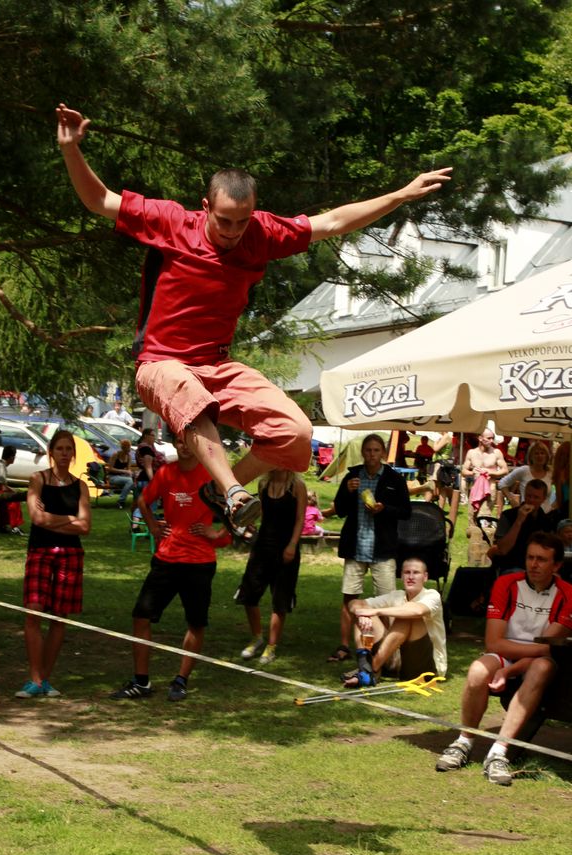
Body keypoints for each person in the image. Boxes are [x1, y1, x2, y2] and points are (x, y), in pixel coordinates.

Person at [56, 102, 451, 538]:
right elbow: (99, 199)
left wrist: (400, 195)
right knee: (189, 392)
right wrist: (72, 149)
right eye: (224, 221)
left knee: (294, 432)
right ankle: (232, 491)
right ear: (206, 206)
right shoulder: (171, 222)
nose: (232, 231)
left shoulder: (261, 233)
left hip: (217, 366)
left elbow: (335, 221)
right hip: (161, 365)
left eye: (242, 222)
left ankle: (220, 490)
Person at [436, 532, 572, 786]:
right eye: (530, 557)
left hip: (540, 660)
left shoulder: (568, 594)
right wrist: (505, 666)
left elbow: (547, 649)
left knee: (541, 667)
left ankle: (499, 752)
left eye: (542, 560)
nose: (533, 564)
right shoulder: (506, 583)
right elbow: (493, 642)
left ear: (556, 566)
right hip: (507, 653)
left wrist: (509, 672)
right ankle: (464, 742)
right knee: (477, 670)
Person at [110, 436, 230, 702]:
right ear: (175, 445)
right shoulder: (166, 472)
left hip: (199, 563)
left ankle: (181, 680)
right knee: (141, 615)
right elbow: (143, 500)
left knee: (196, 623)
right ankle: (141, 682)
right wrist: (152, 525)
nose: (185, 445)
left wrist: (216, 533)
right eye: (180, 441)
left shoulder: (212, 475)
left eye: (190, 440)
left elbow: (236, 519)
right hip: (167, 559)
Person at [17, 429, 91, 698]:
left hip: (70, 555)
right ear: (51, 451)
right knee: (34, 612)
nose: (64, 453)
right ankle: (34, 678)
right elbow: (36, 520)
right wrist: (69, 520)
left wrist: (52, 517)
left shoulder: (80, 486)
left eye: (68, 449)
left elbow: (85, 526)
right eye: (59, 449)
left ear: (73, 453)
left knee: (60, 617)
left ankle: (45, 679)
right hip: (40, 551)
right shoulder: (38, 479)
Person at [327, 434, 411, 664]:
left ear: (382, 453)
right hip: (356, 547)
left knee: (387, 601)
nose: (372, 455)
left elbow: (406, 511)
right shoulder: (353, 476)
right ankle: (344, 646)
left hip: (382, 549)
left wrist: (384, 509)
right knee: (349, 598)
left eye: (376, 451)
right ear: (362, 452)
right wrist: (347, 491)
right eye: (368, 450)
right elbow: (341, 510)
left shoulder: (394, 478)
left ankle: (386, 649)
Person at [236, 469, 307, 667]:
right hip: (263, 545)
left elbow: (300, 518)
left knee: (280, 598)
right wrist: (250, 525)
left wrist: (292, 544)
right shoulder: (263, 484)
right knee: (249, 593)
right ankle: (257, 637)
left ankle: (271, 645)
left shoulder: (297, 486)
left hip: (286, 546)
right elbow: (264, 515)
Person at [342, 558, 447, 688]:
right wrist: (362, 613)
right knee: (363, 613)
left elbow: (417, 611)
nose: (411, 577)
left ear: (425, 577)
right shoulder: (397, 595)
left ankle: (371, 670)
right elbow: (354, 603)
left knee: (406, 615)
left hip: (427, 665)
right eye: (407, 572)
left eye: (416, 573)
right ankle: (365, 669)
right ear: (402, 576)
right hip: (396, 660)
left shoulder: (432, 595)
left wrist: (376, 612)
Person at [490, 479, 552, 574]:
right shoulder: (508, 515)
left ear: (543, 499)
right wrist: (519, 521)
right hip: (512, 566)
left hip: (538, 567)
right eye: (528, 496)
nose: (531, 500)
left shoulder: (547, 520)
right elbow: (503, 549)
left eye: (536, 497)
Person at [461, 429, 508, 518]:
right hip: (475, 489)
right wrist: (471, 472)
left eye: (492, 438)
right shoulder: (471, 452)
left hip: (489, 490)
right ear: (480, 438)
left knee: (483, 518)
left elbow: (505, 470)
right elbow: (463, 471)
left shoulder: (496, 452)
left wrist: (491, 472)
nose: (491, 441)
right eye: (489, 438)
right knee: (472, 519)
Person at [498, 441, 553, 511]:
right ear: (531, 456)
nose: (540, 456)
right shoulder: (523, 471)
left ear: (547, 456)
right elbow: (502, 483)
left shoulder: (551, 473)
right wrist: (511, 500)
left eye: (542, 453)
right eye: (536, 453)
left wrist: (554, 507)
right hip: (526, 514)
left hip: (546, 515)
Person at [105, 438, 135, 508]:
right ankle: (121, 501)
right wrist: (123, 471)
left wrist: (130, 473)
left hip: (123, 477)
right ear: (123, 448)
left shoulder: (129, 456)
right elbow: (110, 469)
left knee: (136, 481)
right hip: (113, 477)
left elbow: (128, 469)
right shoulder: (116, 455)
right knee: (130, 481)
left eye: (129, 448)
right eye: (127, 448)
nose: (129, 450)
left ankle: (136, 502)